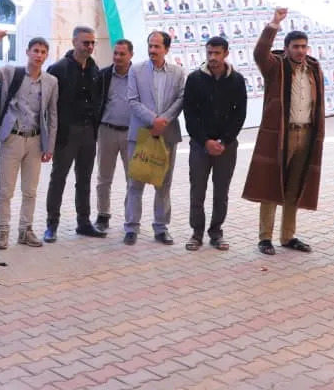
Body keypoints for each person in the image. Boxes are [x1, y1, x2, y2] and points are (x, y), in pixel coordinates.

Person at [242, 7, 324, 256]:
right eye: (296, 46)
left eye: (304, 46)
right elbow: (259, 53)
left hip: (306, 133)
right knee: (271, 184)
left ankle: (288, 236)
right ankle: (264, 237)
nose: (300, 50)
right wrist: (274, 24)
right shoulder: (275, 66)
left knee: (294, 186)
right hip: (281, 134)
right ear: (286, 48)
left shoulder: (313, 69)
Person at [0, 30, 58, 249]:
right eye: (36, 51)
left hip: (35, 141)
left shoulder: (51, 82)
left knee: (30, 191)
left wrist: (49, 146)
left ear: (46, 55)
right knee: (6, 190)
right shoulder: (10, 72)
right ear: (27, 52)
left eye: (43, 52)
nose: (39, 55)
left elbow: (52, 116)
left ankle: (25, 230)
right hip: (12, 139)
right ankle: (2, 232)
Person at [182, 36, 247, 251]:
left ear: (226, 53)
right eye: (209, 52)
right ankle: (197, 233)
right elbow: (189, 115)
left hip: (226, 147)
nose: (213, 57)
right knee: (197, 190)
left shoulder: (237, 80)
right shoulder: (194, 79)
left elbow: (240, 115)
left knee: (221, 191)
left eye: (217, 53)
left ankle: (216, 232)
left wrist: (224, 141)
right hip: (200, 146)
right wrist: (205, 141)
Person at [122, 31, 186, 246]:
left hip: (167, 135)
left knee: (163, 184)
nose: (152, 50)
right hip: (140, 134)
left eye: (157, 47)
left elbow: (180, 99)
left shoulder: (178, 72)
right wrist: (152, 120)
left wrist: (164, 121)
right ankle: (131, 228)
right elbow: (132, 100)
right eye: (150, 46)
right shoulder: (136, 70)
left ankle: (161, 227)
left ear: (166, 49)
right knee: (135, 182)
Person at [45, 26, 107, 241]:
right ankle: (51, 224)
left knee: (85, 179)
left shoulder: (94, 69)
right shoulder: (58, 69)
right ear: (74, 43)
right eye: (85, 42)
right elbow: (48, 105)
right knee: (58, 178)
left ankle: (84, 222)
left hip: (88, 132)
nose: (89, 46)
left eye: (92, 43)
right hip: (66, 133)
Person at [94, 39, 134, 232]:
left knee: (132, 179)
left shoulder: (139, 76)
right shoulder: (103, 76)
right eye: (115, 53)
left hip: (131, 133)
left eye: (122, 54)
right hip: (107, 130)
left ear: (131, 55)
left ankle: (131, 218)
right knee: (103, 177)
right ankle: (103, 215)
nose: (117, 57)